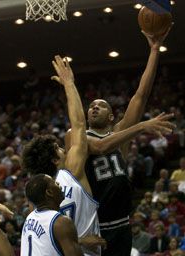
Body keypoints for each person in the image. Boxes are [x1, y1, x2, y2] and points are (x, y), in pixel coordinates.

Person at [65, 30, 172, 255]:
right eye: (91, 105)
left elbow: (141, 95)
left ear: (112, 116)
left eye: (101, 105)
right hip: (95, 226)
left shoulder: (119, 132)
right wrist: (141, 126)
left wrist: (154, 51)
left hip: (122, 224)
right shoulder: (76, 137)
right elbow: (102, 147)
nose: (94, 107)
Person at [22, 55, 106, 255]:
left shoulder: (36, 194)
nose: (64, 150)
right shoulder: (72, 172)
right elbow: (78, 125)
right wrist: (69, 84)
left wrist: (80, 239)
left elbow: (48, 235)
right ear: (54, 159)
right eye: (59, 148)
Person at [21, 174, 84, 256]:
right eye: (54, 182)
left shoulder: (29, 218)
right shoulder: (61, 222)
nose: (58, 184)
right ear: (49, 192)